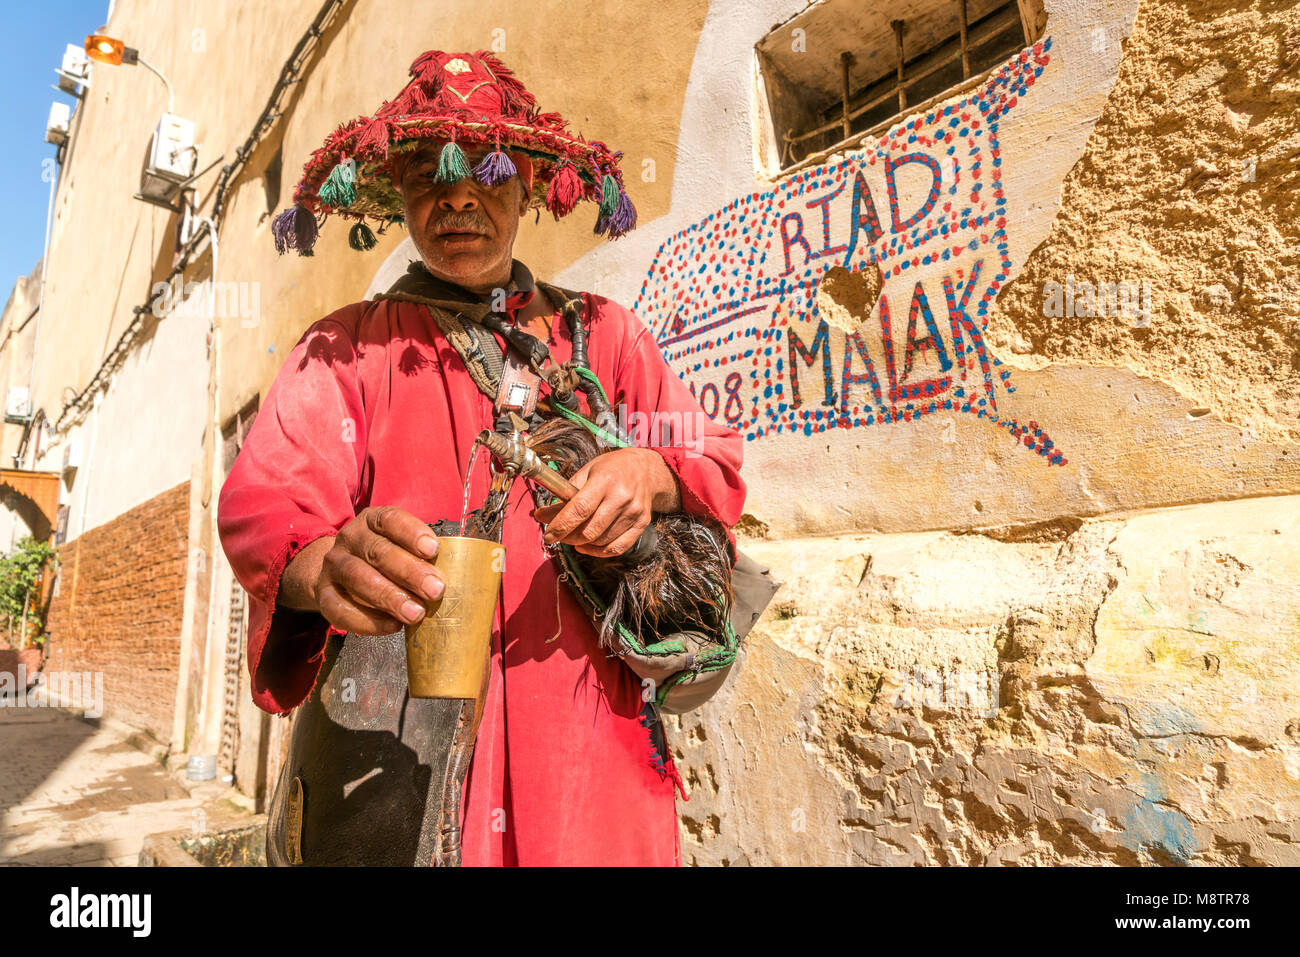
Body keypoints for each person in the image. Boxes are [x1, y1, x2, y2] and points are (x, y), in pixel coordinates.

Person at [217, 50, 746, 866]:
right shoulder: (343, 349)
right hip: (399, 758)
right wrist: (323, 567)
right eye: (428, 172)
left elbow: (710, 458)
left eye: (484, 173)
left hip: (592, 754)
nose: (457, 197)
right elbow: (265, 507)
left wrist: (650, 474)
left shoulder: (607, 335)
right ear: (396, 195)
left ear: (529, 184)